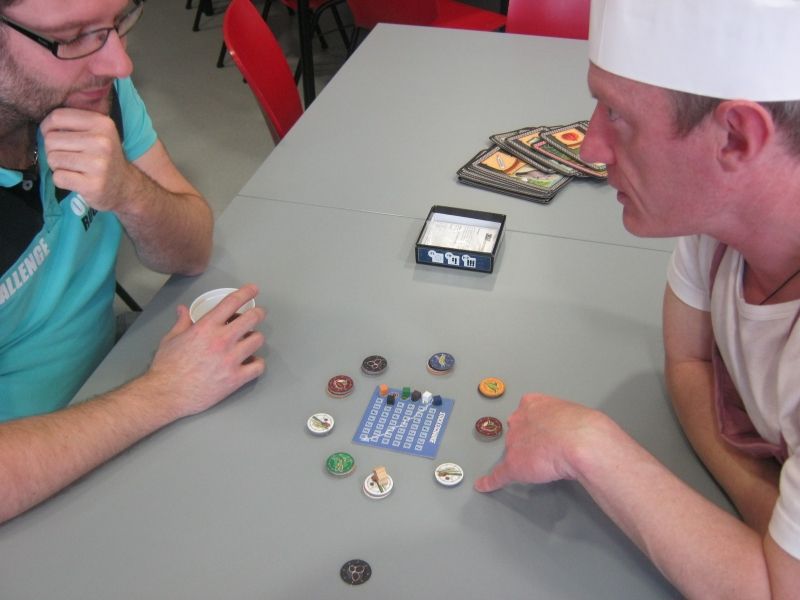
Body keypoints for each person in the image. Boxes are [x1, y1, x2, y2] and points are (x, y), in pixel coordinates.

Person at [475, 0, 800, 597]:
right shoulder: (720, 218)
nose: (590, 147)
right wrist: (768, 509)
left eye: (619, 116)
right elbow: (688, 363)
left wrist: (590, 445)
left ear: (735, 137)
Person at [0, 0, 266, 523]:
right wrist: (161, 393)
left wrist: (125, 189)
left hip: (111, 393)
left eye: (118, 22)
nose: (119, 63)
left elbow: (192, 251)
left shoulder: (89, 90)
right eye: (74, 35)